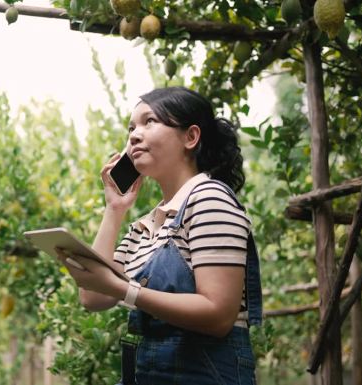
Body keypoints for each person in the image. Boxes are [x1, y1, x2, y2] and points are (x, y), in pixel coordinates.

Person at [55, 86, 263, 385]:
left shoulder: (210, 198)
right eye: (131, 128)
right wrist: (114, 209)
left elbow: (218, 315)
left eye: (149, 121)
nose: (134, 135)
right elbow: (94, 296)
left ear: (190, 137)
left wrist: (126, 291)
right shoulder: (146, 225)